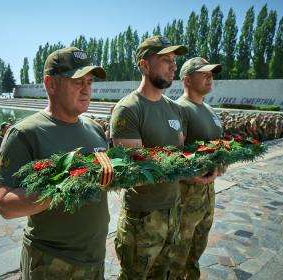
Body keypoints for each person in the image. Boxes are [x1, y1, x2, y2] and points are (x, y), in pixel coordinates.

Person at [0, 47, 109, 280]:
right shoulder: (25, 133)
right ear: (51, 84)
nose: (87, 89)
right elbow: (5, 204)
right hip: (51, 262)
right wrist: (63, 187)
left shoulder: (95, 129)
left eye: (89, 81)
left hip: (95, 257)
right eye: (78, 81)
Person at [110, 36, 203, 279]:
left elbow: (181, 154)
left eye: (174, 60)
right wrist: (183, 166)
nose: (173, 66)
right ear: (144, 65)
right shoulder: (128, 109)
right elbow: (135, 172)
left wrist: (200, 168)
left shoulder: (175, 109)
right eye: (165, 60)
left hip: (174, 210)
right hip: (142, 218)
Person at [171, 57, 225, 280]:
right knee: (178, 254)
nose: (209, 76)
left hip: (207, 191)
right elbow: (174, 154)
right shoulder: (180, 109)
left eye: (211, 73)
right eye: (203, 73)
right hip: (187, 195)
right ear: (187, 79)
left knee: (196, 250)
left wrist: (222, 159)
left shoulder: (208, 108)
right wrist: (192, 173)